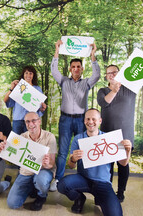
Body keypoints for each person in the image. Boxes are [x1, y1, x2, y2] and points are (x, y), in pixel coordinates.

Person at [57, 108, 132, 216]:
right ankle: (79, 198)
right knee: (62, 185)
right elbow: (71, 166)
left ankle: (101, 199)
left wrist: (127, 151)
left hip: (103, 183)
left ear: (100, 121)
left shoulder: (109, 138)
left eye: (94, 119)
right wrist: (73, 159)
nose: (90, 122)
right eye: (88, 119)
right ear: (84, 121)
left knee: (115, 214)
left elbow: (123, 163)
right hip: (83, 179)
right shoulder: (78, 138)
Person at [50, 40, 100, 191]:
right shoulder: (64, 81)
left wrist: (93, 55)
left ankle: (83, 179)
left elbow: (97, 74)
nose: (76, 69)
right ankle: (57, 179)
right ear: (70, 69)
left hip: (81, 120)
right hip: (65, 120)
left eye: (78, 67)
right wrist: (57, 50)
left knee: (82, 151)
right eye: (73, 67)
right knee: (63, 151)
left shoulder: (86, 83)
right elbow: (54, 71)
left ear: (82, 69)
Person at [0, 112, 57, 211]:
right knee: (12, 204)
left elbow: (51, 164)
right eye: (27, 122)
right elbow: (11, 158)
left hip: (43, 171)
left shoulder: (49, 137)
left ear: (39, 121)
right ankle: (32, 188)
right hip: (26, 172)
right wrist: (2, 151)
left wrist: (47, 164)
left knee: (40, 180)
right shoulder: (21, 138)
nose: (31, 124)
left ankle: (41, 196)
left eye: (33, 121)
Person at [97, 64, 136, 202]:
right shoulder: (102, 91)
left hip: (125, 135)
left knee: (123, 165)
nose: (112, 75)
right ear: (106, 76)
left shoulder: (130, 89)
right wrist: (113, 90)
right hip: (107, 134)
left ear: (119, 73)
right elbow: (103, 103)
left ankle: (120, 193)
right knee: (107, 167)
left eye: (114, 72)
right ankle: (106, 192)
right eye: (109, 73)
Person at [4, 66, 46, 135]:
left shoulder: (37, 89)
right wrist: (11, 88)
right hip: (18, 120)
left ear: (33, 75)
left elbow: (40, 109)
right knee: (16, 143)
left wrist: (42, 108)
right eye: (26, 73)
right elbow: (6, 100)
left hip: (31, 121)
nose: (28, 75)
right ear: (23, 75)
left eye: (30, 73)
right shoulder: (17, 87)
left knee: (30, 143)